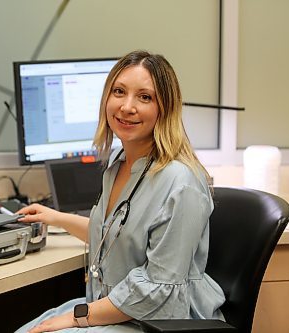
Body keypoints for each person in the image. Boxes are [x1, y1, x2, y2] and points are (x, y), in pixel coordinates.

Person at [15, 50, 225, 333]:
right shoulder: (118, 165)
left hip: (158, 321)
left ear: (166, 108)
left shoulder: (180, 181)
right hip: (117, 307)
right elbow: (112, 235)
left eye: (145, 97)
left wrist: (78, 317)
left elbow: (157, 287)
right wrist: (56, 217)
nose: (127, 106)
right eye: (119, 91)